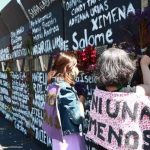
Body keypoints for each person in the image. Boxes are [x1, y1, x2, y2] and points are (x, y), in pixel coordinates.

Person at [47, 51, 87, 150]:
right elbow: (77, 117)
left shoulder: (53, 84)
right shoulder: (65, 88)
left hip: (58, 136)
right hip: (70, 138)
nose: (77, 69)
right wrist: (82, 97)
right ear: (67, 68)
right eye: (75, 66)